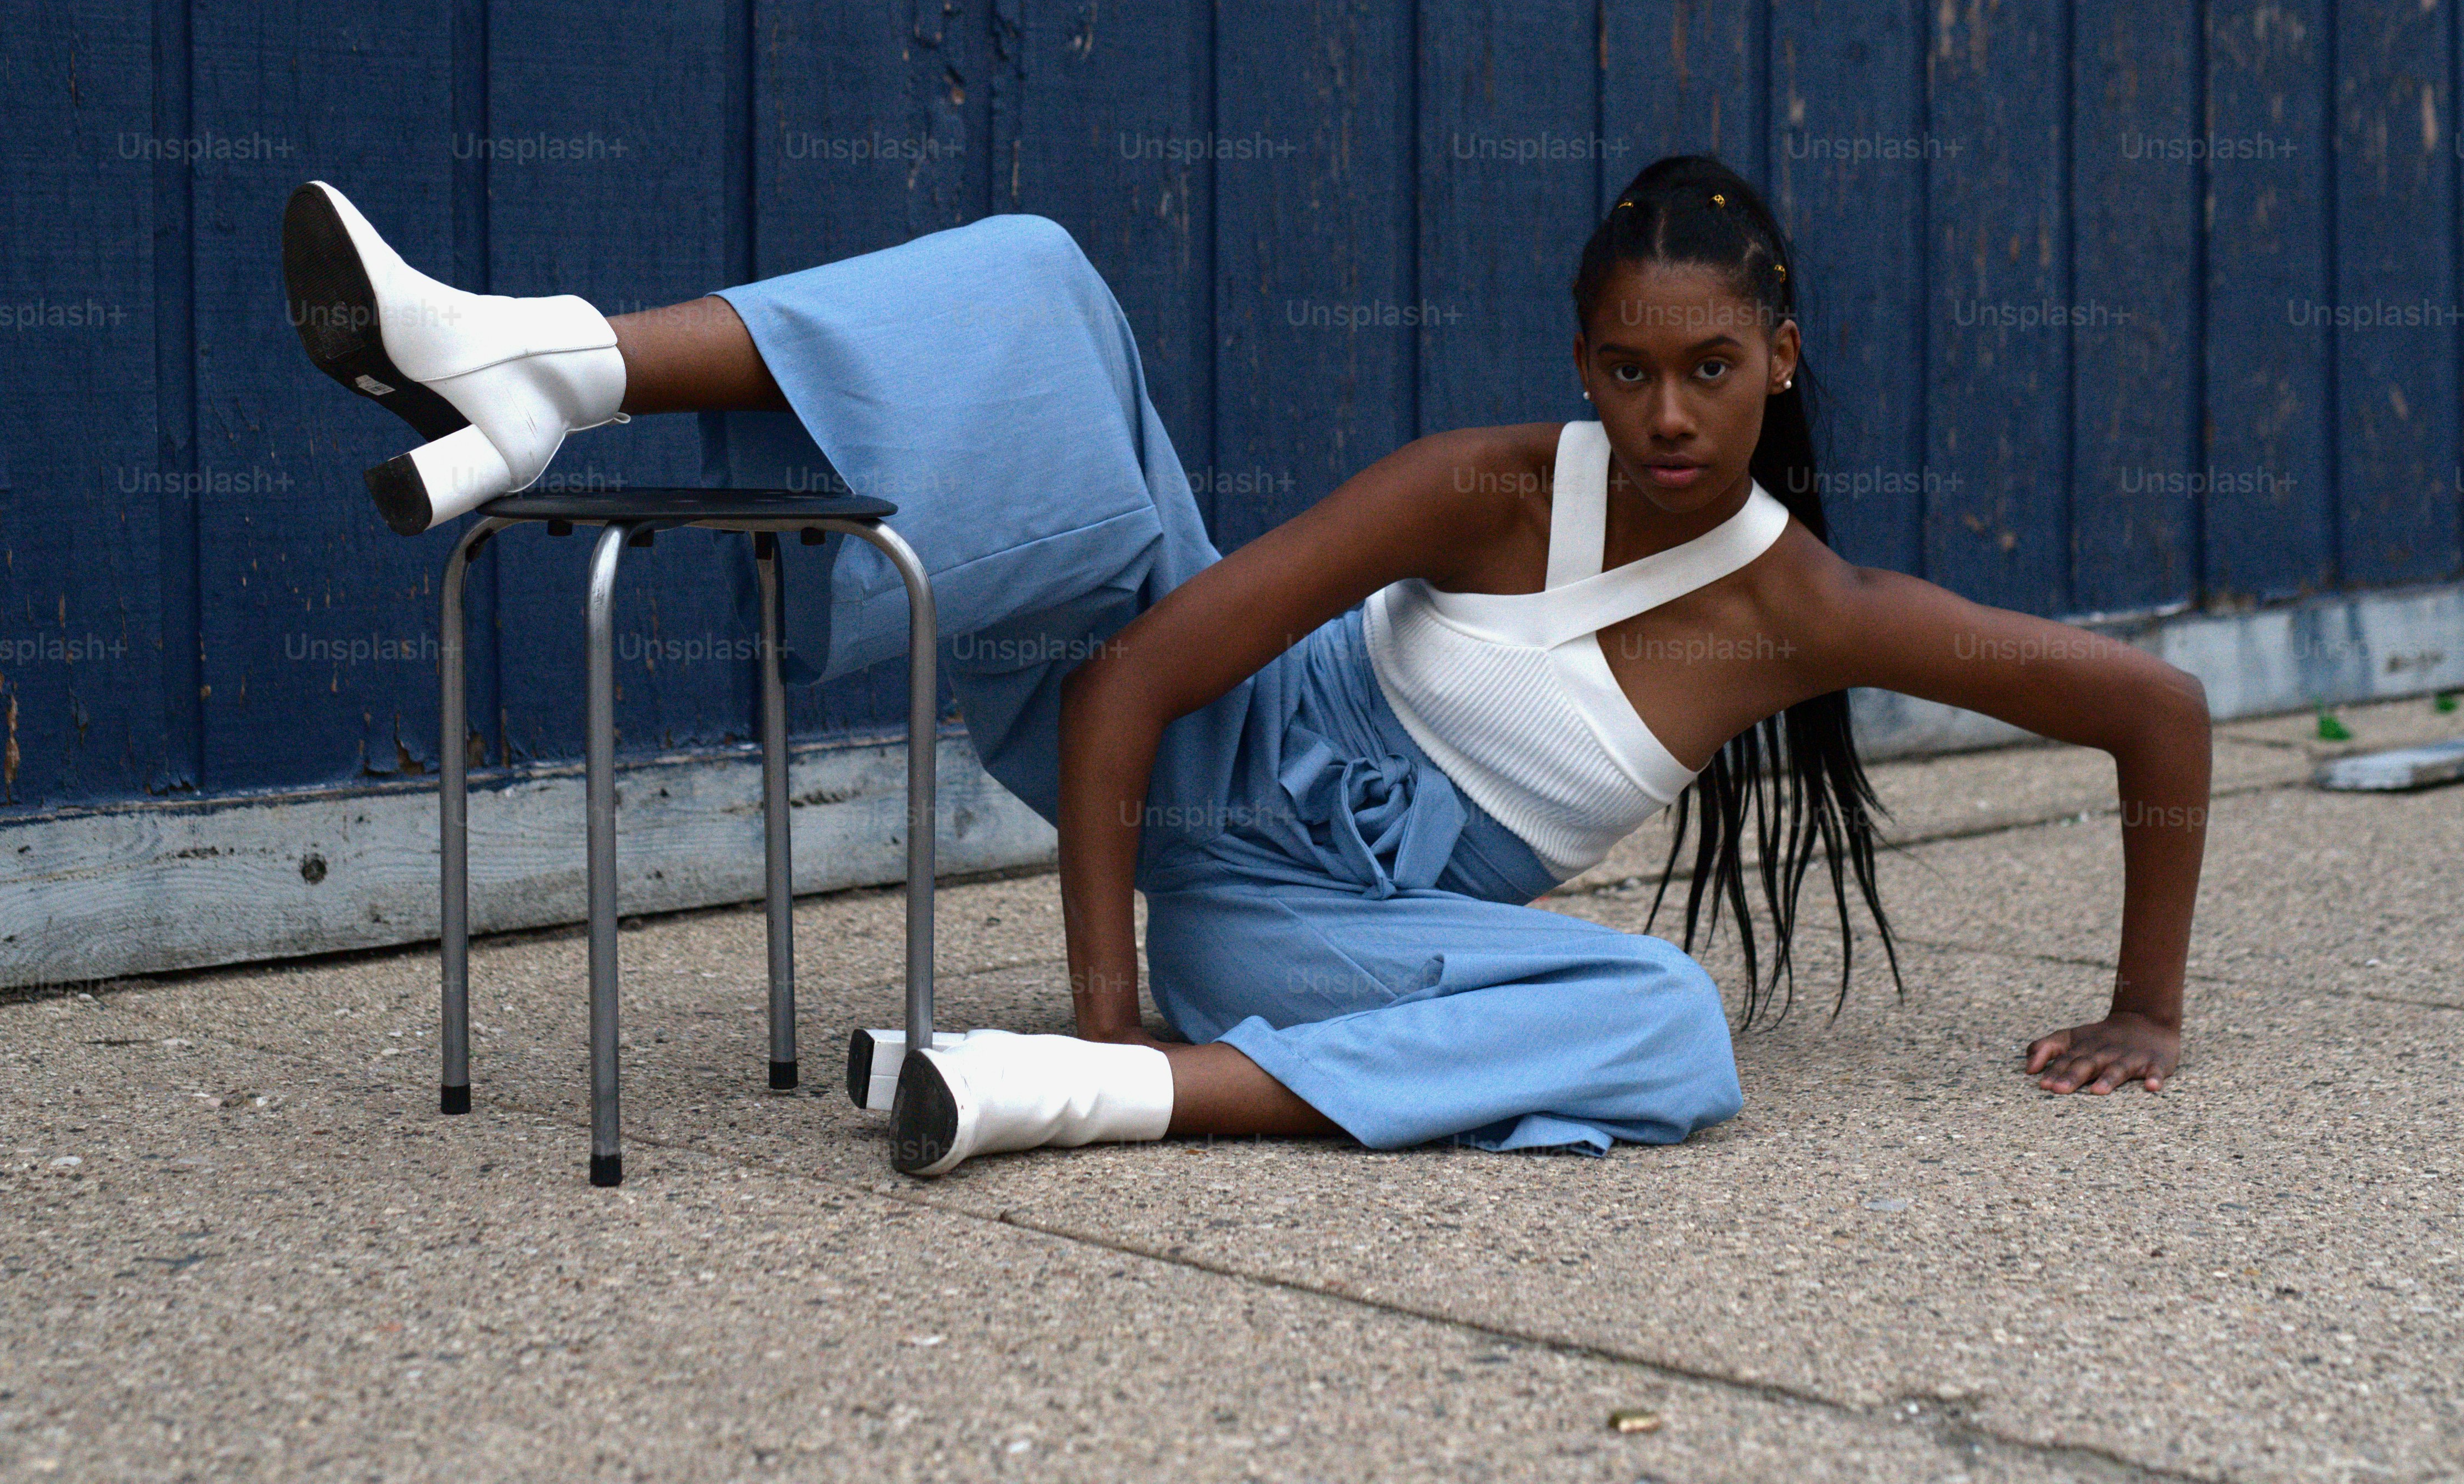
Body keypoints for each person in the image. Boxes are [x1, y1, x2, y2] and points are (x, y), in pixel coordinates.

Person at [280, 152, 2211, 1180]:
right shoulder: (1485, 486)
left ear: (1780, 356)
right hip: (1181, 748)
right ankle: (558, 370)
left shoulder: (1815, 611)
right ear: (1583, 365)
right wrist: (1108, 985)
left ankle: (1073, 1101)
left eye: (1709, 368)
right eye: (1627, 369)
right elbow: (1134, 687)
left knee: (1667, 1034)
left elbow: (2155, 707)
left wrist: (2147, 1006)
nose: (1667, 413)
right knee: (1042, 280)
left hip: (1313, 940)